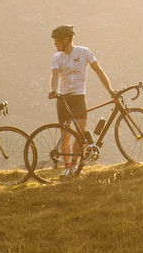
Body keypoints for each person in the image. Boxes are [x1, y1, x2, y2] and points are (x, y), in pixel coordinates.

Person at [47, 23, 114, 174]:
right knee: (65, 136)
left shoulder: (84, 52)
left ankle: (74, 165)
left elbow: (99, 70)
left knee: (80, 132)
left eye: (56, 40)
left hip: (78, 98)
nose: (54, 44)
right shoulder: (57, 57)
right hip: (63, 99)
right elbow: (54, 75)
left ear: (66, 39)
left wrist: (110, 89)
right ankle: (67, 167)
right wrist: (52, 90)